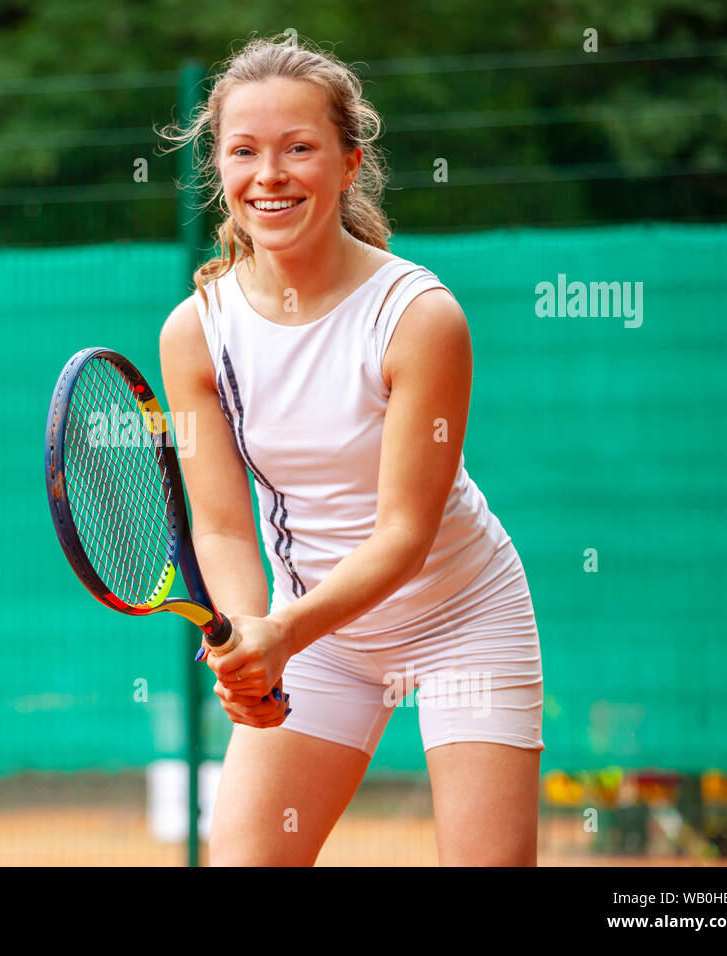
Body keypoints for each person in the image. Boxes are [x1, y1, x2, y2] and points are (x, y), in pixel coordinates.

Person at [157, 34, 544, 866]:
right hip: (320, 640)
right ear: (217, 169)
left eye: (300, 148)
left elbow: (404, 535)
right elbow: (223, 529)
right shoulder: (195, 334)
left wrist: (280, 635)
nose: (271, 174)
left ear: (348, 162)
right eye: (245, 151)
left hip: (460, 621)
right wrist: (250, 636)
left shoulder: (418, 317)